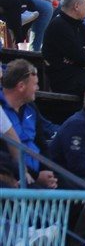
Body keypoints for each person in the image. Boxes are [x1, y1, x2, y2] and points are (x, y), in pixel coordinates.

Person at [0, 59, 56, 188]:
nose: (37, 88)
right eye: (35, 84)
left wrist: (46, 171)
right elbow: (6, 152)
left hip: (33, 173)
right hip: (14, 176)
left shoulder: (31, 108)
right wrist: (33, 175)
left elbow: (40, 143)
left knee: (72, 190)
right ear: (21, 86)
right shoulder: (2, 107)